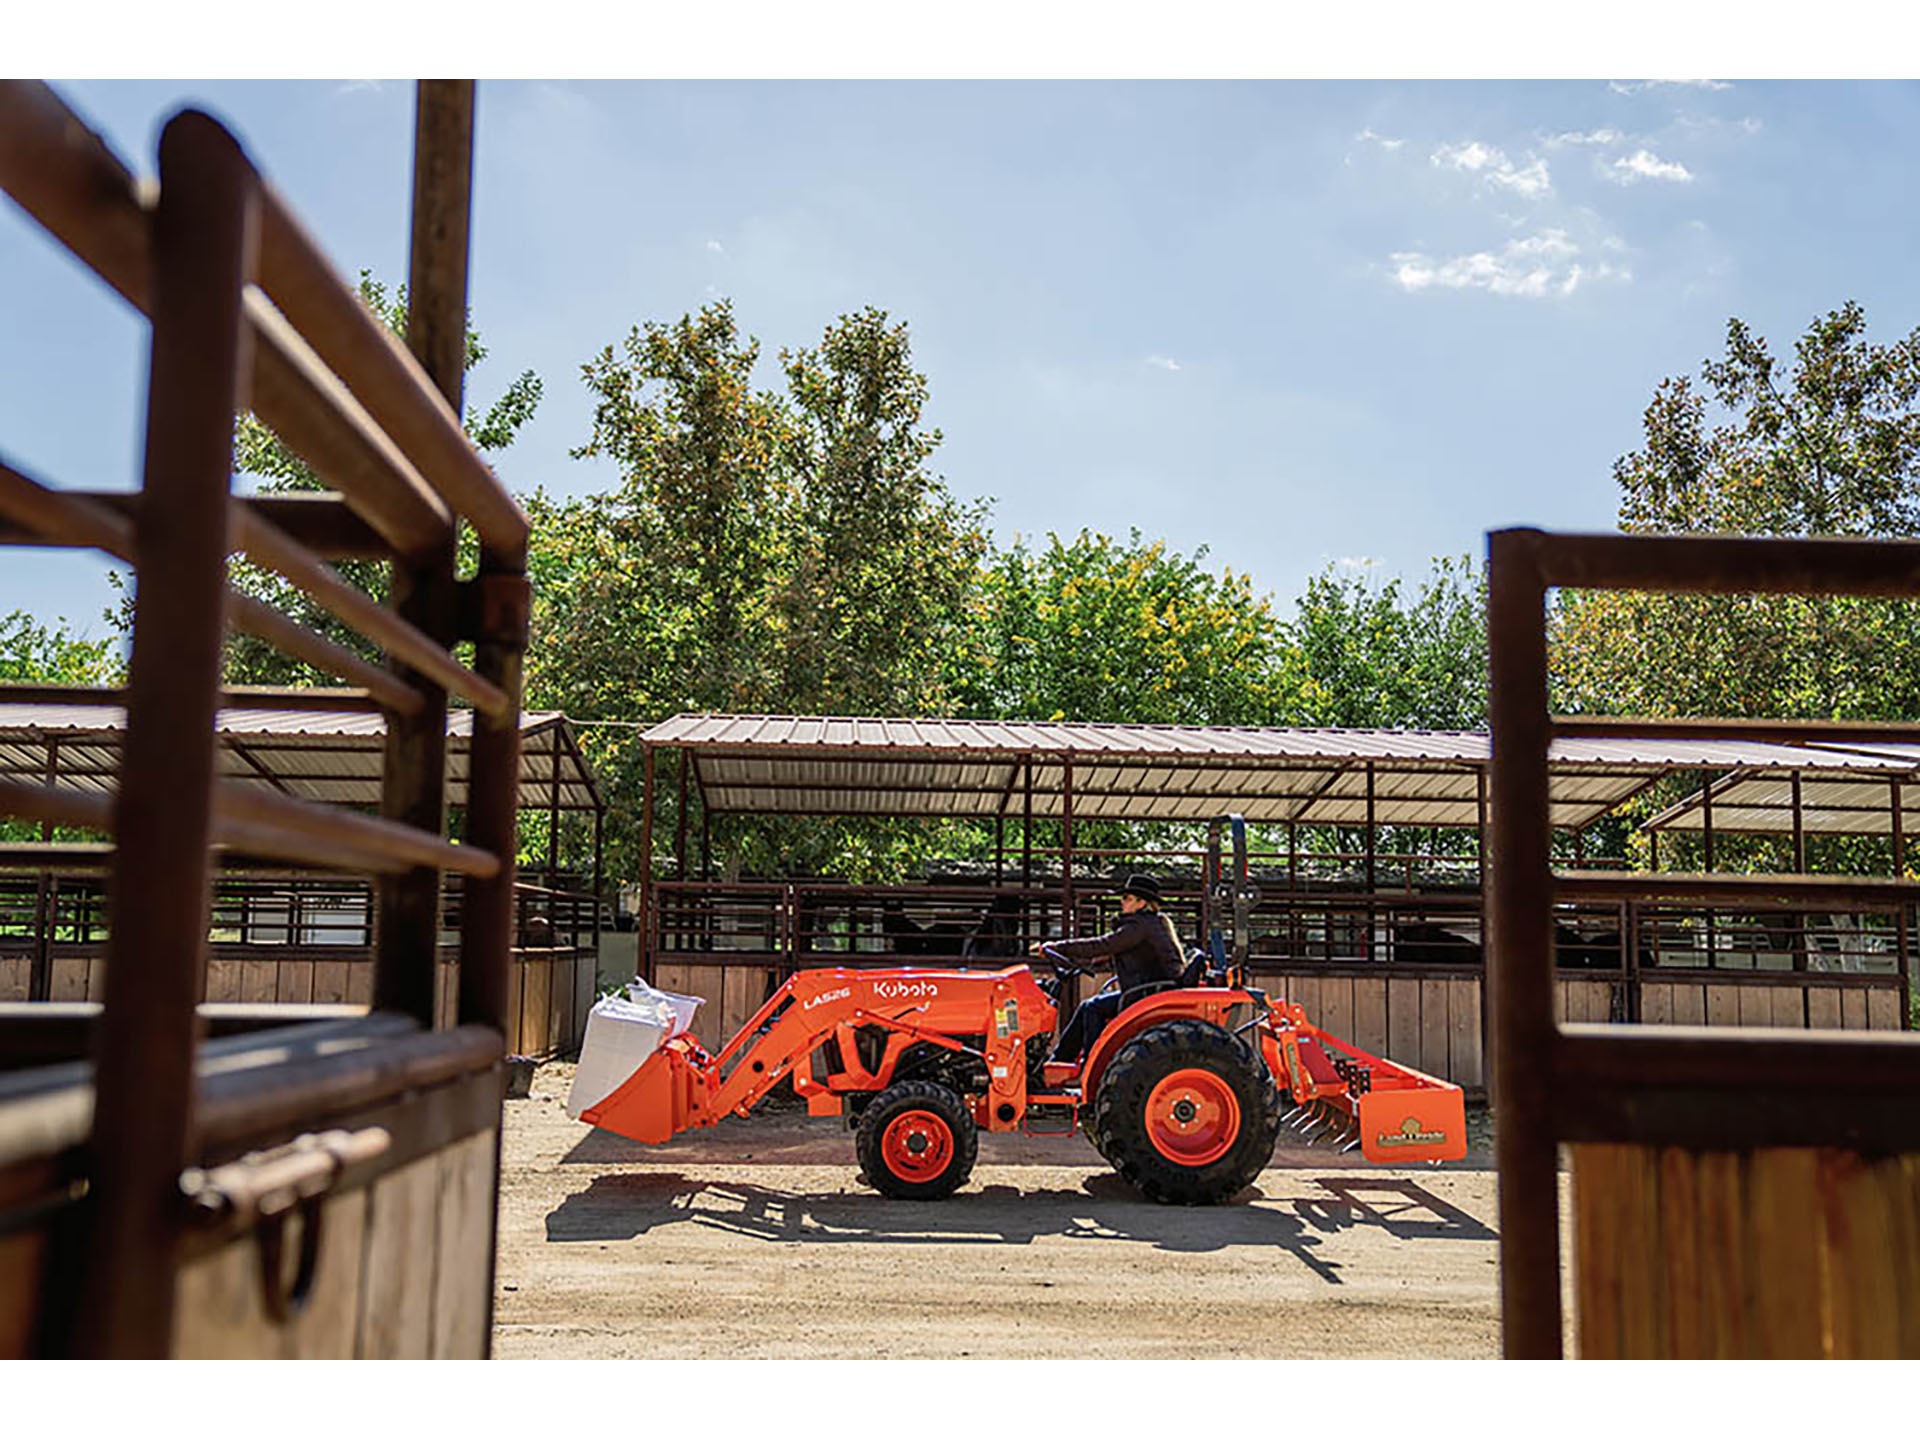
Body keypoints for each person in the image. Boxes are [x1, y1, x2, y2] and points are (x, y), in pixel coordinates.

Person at [1033, 873, 1185, 1064]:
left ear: (1141, 902)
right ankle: (1058, 1063)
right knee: (1087, 1007)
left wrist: (1058, 947)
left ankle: (1091, 1064)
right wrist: (1098, 961)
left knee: (1092, 1008)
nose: (1122, 902)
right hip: (1149, 990)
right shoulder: (1150, 924)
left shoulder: (1139, 926)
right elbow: (1122, 951)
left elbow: (1102, 944)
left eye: (1126, 898)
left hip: (1145, 994)